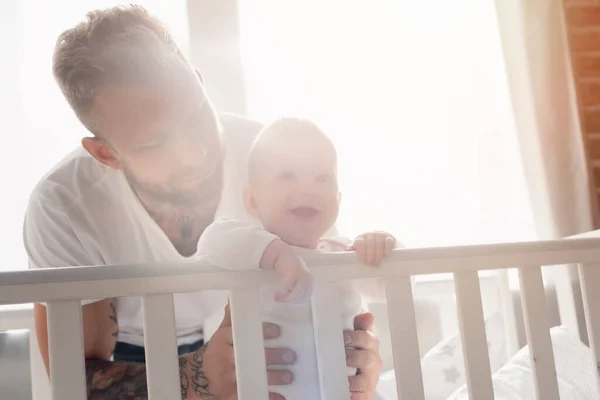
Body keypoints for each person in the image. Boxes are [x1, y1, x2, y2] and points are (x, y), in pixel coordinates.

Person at [23, 5, 383, 400]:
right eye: (154, 143)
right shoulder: (63, 206)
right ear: (105, 154)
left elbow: (325, 275)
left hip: (266, 343)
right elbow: (76, 381)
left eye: (195, 116)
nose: (192, 154)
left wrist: (357, 363)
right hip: (134, 355)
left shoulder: (271, 156)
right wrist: (197, 375)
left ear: (199, 83)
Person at [196, 117, 397, 399]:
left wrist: (381, 246)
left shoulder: (345, 255)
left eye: (322, 178)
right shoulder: (251, 250)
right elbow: (212, 241)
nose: (307, 188)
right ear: (253, 200)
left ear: (339, 199)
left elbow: (394, 286)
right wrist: (276, 253)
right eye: (287, 176)